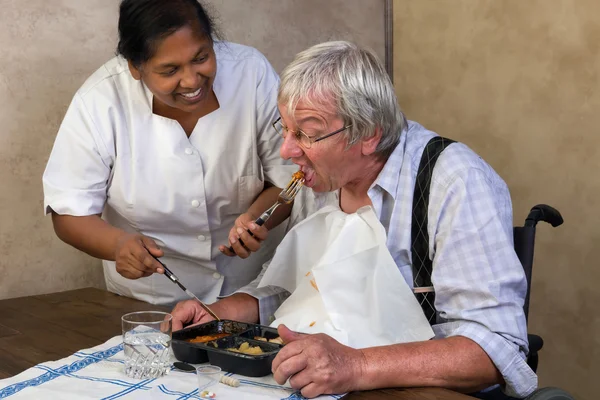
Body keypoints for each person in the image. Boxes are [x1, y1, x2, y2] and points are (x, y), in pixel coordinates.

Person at [170, 41, 535, 399]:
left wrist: (355, 366)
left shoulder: (455, 181)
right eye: (285, 128)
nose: (287, 150)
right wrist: (217, 315)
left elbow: (494, 350)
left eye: (307, 133)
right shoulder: (319, 181)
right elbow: (299, 291)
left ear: (368, 134)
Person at [42, 0, 295, 306]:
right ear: (135, 67)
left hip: (246, 290)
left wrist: (257, 219)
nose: (191, 81)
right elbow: (70, 210)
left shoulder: (251, 74)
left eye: (201, 57)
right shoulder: (100, 100)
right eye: (170, 70)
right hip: (150, 298)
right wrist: (119, 245)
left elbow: (291, 179)